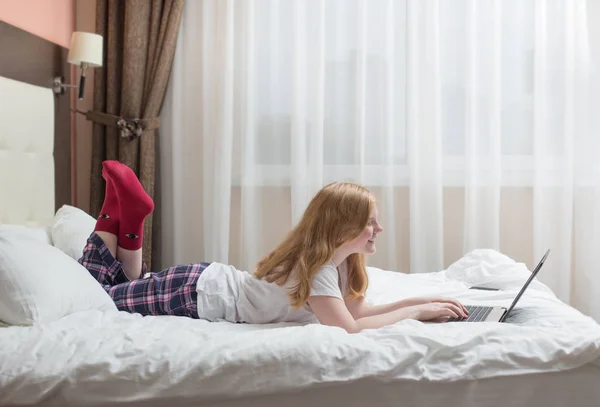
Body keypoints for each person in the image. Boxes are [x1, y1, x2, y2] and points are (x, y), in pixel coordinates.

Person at [79, 160, 468, 333]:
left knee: (116, 287)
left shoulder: (340, 260)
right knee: (93, 296)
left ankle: (121, 217)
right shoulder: (317, 269)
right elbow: (350, 328)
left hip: (201, 283)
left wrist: (422, 302)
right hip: (194, 293)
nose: (378, 229)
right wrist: (416, 313)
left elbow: (359, 309)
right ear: (342, 227)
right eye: (369, 222)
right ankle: (122, 217)